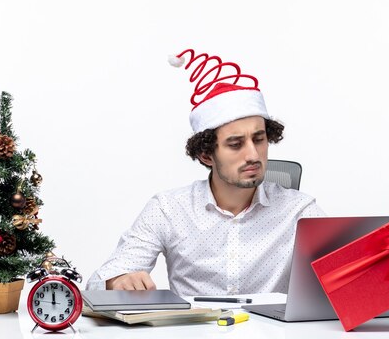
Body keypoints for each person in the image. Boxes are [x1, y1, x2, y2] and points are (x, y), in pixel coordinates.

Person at [86, 48, 325, 296]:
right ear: (206, 154)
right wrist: (118, 281)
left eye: (259, 139)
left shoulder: (300, 211)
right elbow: (98, 283)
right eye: (235, 144)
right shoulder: (168, 209)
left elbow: (353, 270)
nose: (253, 155)